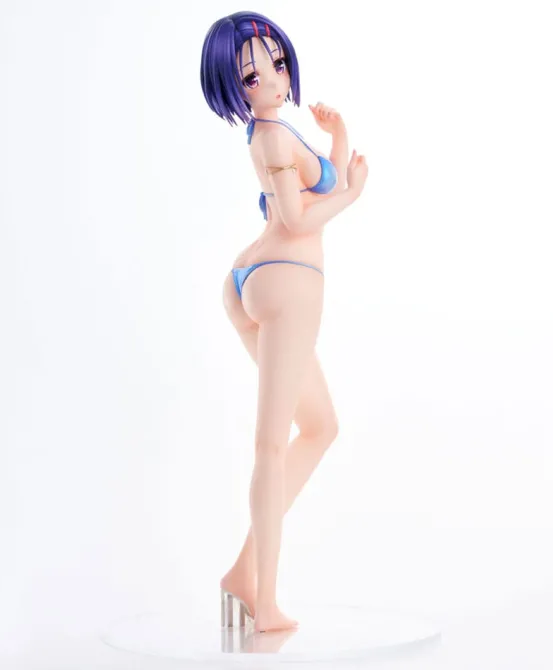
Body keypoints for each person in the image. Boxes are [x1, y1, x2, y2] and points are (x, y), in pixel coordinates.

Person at [200, 10, 368, 633]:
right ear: (232, 87)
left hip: (256, 276)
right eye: (252, 76)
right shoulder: (270, 138)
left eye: (274, 63)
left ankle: (244, 575)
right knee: (271, 445)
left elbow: (317, 183)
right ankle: (263, 604)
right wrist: (351, 195)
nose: (271, 79)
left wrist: (338, 134)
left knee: (320, 426)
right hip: (286, 281)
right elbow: (300, 219)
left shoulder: (276, 131)